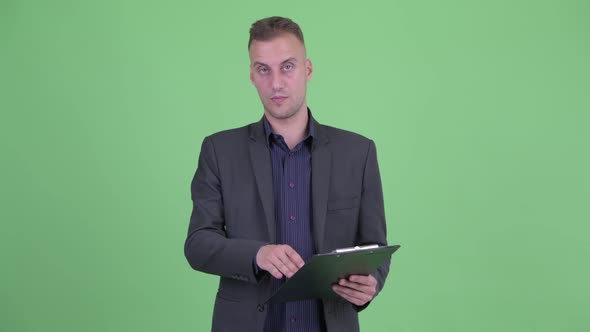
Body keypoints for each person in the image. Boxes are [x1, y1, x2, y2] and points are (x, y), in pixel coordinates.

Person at [184, 16, 390, 332]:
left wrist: (369, 283)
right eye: (263, 69)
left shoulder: (358, 153)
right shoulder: (219, 151)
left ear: (307, 70)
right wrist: (257, 254)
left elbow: (375, 248)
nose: (276, 82)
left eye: (288, 67)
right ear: (252, 75)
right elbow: (198, 244)